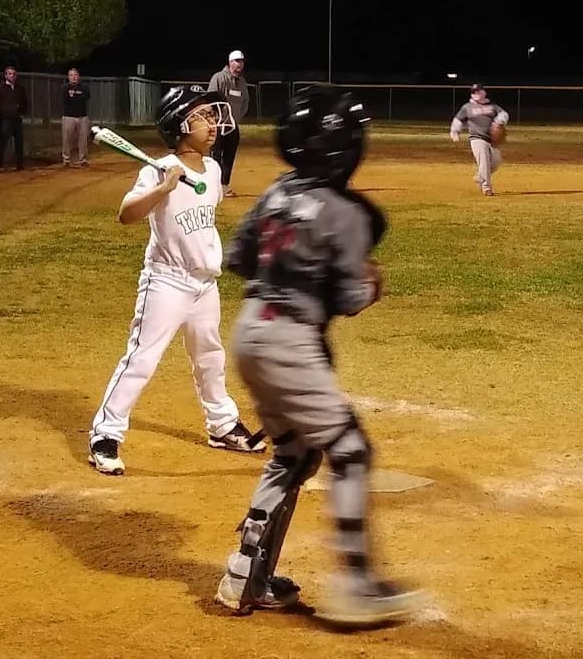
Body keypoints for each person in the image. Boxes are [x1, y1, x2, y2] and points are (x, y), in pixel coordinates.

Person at [214, 85, 423, 626]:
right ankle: (356, 587)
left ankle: (245, 575)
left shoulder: (276, 192)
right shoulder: (347, 212)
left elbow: (238, 258)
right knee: (350, 452)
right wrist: (369, 284)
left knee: (293, 454)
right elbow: (350, 297)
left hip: (250, 330)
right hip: (289, 340)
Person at [87, 85, 266, 476]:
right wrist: (164, 187)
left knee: (210, 357)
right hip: (167, 282)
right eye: (203, 117)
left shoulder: (213, 170)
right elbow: (126, 215)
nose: (213, 124)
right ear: (180, 126)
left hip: (205, 283)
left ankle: (221, 425)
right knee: (142, 359)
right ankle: (105, 435)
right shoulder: (157, 169)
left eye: (212, 116)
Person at [450, 83, 509, 196]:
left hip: (491, 140)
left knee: (496, 162)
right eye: (473, 92)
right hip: (477, 138)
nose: (476, 94)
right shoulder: (468, 107)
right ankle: (486, 187)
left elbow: (504, 114)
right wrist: (455, 132)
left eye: (478, 91)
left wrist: (499, 121)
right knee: (484, 162)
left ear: (484, 92)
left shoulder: (492, 106)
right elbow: (458, 120)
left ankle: (479, 177)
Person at [208, 50, 249, 197]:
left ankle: (224, 186)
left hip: (233, 126)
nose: (240, 64)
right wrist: (215, 119)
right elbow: (210, 99)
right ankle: (214, 186)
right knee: (215, 158)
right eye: (237, 61)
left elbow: (245, 102)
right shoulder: (219, 78)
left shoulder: (242, 82)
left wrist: (236, 119)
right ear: (230, 62)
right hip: (218, 125)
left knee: (229, 157)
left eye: (241, 61)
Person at [0, 65, 28, 172]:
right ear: (6, 75)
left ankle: (19, 165)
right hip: (5, 119)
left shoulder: (20, 88)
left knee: (19, 142)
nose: (12, 76)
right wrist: (0, 113)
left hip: (17, 119)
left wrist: (22, 112)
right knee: (2, 142)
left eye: (14, 74)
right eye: (10, 74)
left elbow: (25, 102)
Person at [61, 67, 91, 167]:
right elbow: (67, 100)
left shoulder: (84, 88)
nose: (73, 77)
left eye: (75, 75)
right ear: (68, 77)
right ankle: (66, 159)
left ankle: (83, 160)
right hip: (68, 117)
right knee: (67, 139)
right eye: (71, 75)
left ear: (78, 76)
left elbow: (86, 97)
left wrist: (74, 96)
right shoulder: (65, 88)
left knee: (83, 139)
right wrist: (78, 97)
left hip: (82, 117)